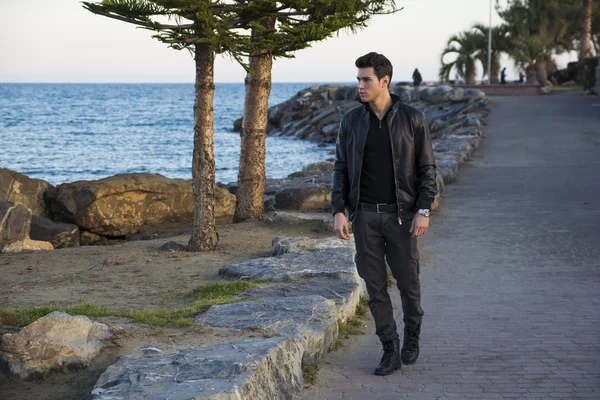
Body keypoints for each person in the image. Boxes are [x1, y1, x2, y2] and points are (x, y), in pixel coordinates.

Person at [331, 52, 437, 376]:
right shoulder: (351, 122)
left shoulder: (413, 119)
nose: (360, 85)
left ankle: (413, 334)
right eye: (359, 79)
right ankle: (389, 348)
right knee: (375, 289)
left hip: (402, 218)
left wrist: (423, 209)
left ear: (384, 82)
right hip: (364, 219)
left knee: (409, 286)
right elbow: (341, 168)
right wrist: (338, 210)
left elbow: (427, 169)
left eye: (366, 80)